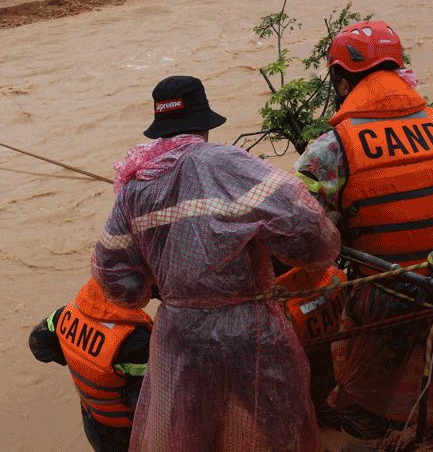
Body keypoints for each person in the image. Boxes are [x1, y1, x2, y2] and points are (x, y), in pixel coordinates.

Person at [92, 75, 341, 452]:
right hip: (248, 329)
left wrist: (158, 286)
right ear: (205, 123)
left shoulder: (136, 184)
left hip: (177, 334)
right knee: (275, 428)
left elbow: (113, 276)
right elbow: (312, 236)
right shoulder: (226, 163)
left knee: (190, 434)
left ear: (160, 127)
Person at [292, 21, 433, 446]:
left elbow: (308, 242)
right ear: (398, 70)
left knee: (360, 402)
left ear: (340, 80)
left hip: (382, 295)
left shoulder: (330, 151)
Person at [29, 278, 153, 452]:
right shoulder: (136, 342)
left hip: (92, 423)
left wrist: (78, 360)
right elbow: (150, 414)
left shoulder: (65, 314)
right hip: (125, 436)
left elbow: (37, 344)